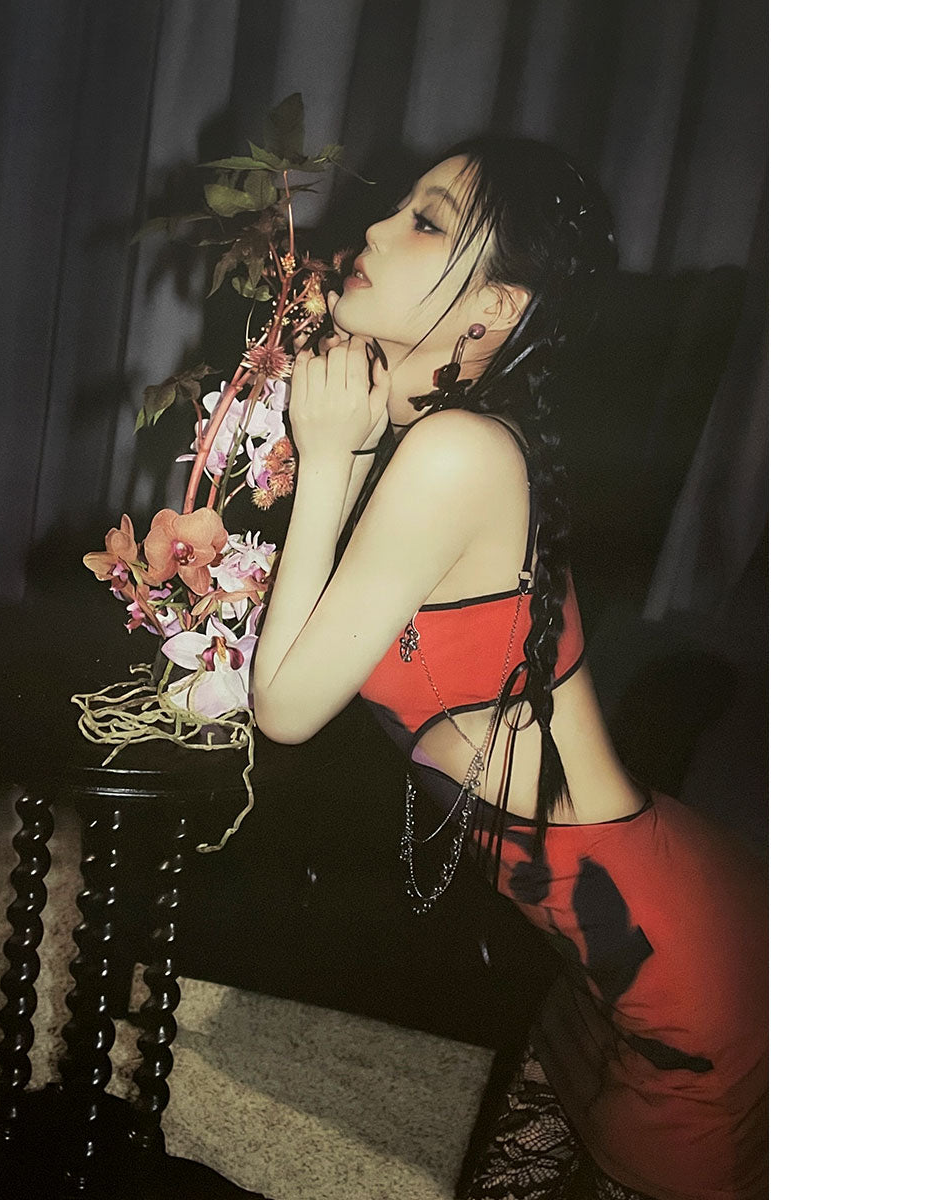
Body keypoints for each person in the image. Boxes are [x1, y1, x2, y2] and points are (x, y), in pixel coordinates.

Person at [250, 136, 766, 1200]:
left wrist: (329, 457)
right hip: (613, 955)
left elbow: (286, 706)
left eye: (424, 220)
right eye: (398, 207)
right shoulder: (428, 440)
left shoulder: (460, 456)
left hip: (684, 987)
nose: (373, 229)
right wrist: (341, 442)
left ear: (492, 308)